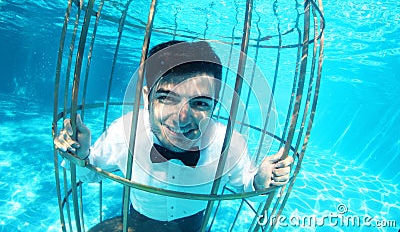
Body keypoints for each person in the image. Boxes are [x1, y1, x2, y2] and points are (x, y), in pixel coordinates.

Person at [54, 40, 293, 232]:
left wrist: (261, 182)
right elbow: (89, 174)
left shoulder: (227, 144)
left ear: (215, 105)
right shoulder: (125, 132)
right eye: (166, 98)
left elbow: (246, 184)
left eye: (200, 103)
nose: (181, 118)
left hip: (193, 225)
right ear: (147, 95)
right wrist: (80, 153)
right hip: (136, 222)